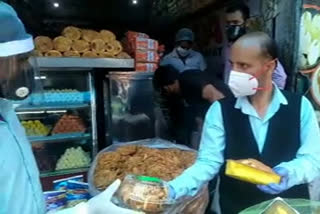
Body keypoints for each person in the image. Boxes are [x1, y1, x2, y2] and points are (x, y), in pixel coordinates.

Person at [0, 3, 141, 214]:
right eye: (18, 61)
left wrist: (85, 210)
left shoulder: (7, 113)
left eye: (26, 60)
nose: (24, 70)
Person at [168, 32, 320, 213]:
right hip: (236, 206)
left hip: (288, 207)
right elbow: (208, 162)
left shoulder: (300, 107)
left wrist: (286, 174)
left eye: (244, 66)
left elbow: (312, 159)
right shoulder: (220, 110)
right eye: (233, 65)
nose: (234, 74)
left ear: (269, 66)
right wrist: (174, 188)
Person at [223, 3, 287, 89]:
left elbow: (280, 77)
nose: (231, 26)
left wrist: (266, 98)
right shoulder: (228, 47)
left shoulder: (256, 46)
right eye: (228, 23)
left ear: (247, 23)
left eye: (235, 22)